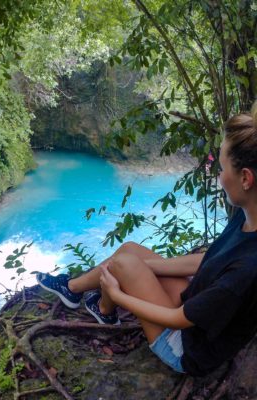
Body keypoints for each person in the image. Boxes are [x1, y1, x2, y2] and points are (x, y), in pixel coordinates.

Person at [36, 102, 257, 376]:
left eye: (222, 168)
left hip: (188, 346)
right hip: (196, 308)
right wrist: (147, 266)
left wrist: (119, 293)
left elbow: (179, 319)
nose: (218, 175)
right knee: (129, 252)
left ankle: (106, 307)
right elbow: (208, 260)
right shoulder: (248, 215)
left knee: (125, 264)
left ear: (245, 178)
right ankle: (74, 289)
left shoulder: (249, 269)